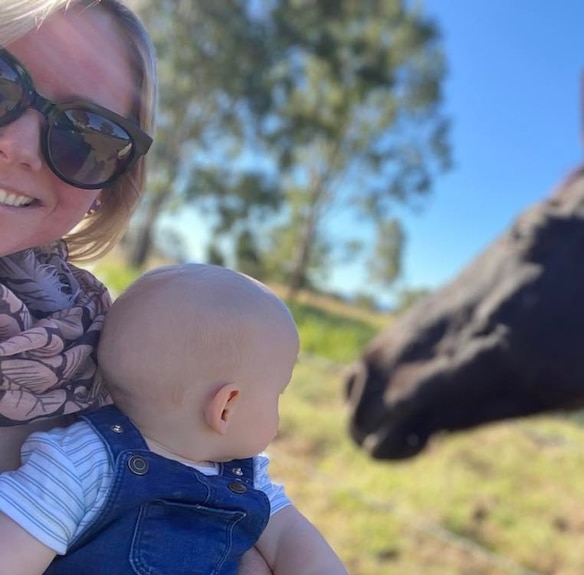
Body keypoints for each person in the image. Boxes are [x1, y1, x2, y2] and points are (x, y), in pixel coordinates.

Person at [0, 2, 321, 573]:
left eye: (87, 136)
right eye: (2, 79)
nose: (21, 146)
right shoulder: (78, 459)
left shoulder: (96, 344)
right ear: (226, 406)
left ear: (106, 184)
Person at [0, 263, 349, 574]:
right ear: (226, 407)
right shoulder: (84, 461)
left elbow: (292, 539)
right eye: (279, 393)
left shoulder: (251, 478)